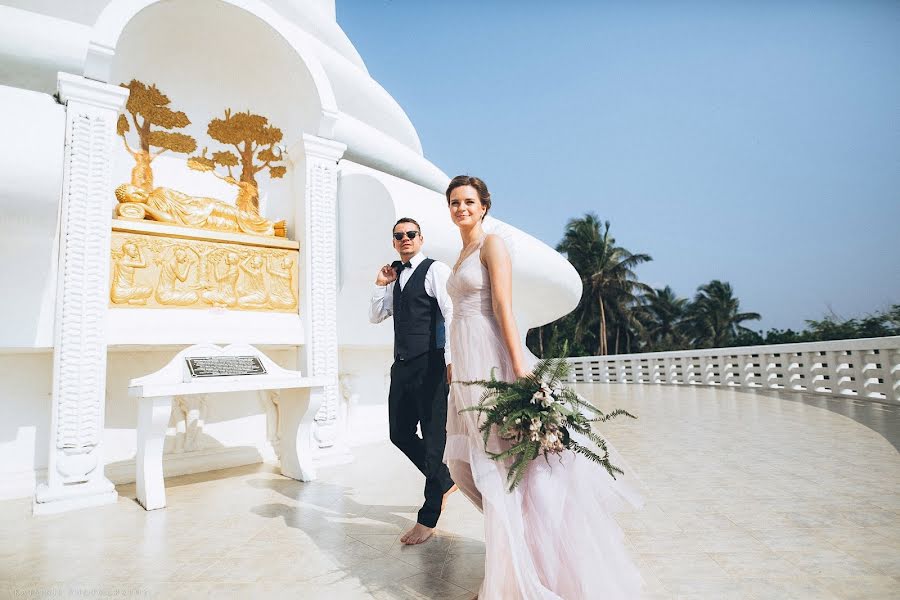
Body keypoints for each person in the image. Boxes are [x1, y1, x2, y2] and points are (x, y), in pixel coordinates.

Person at [443, 176, 643, 599]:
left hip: (489, 358)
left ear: (483, 207)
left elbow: (502, 305)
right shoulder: (462, 251)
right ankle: (516, 549)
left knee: (501, 463)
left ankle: (519, 573)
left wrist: (519, 366)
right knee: (467, 465)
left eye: (468, 202)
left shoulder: (491, 245)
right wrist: (452, 361)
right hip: (464, 362)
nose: (461, 208)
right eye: (454, 202)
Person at [369, 217, 458, 545]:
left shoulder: (436, 270)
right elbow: (377, 316)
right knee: (399, 433)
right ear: (394, 242)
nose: (404, 239)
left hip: (432, 365)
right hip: (402, 366)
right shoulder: (395, 276)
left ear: (420, 238)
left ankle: (428, 516)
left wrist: (450, 359)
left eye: (410, 234)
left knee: (434, 441)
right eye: (398, 236)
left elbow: (452, 313)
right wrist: (380, 285)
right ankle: (445, 481)